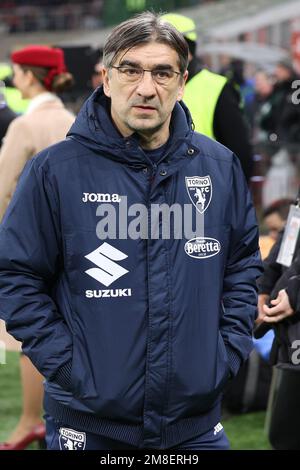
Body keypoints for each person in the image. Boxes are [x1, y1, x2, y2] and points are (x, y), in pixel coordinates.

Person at [0, 12, 262, 450]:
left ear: (181, 83)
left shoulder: (218, 167)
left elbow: (241, 265)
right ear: (105, 78)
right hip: (88, 426)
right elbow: (17, 275)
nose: (146, 87)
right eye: (130, 70)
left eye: (162, 73)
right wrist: (69, 366)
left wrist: (227, 353)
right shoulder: (55, 171)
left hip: (195, 428)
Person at [0, 45, 75, 450]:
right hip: (71, 243)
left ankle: (32, 421)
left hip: (28, 247)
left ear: (29, 74)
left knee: (29, 335)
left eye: (17, 71)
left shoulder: (24, 127)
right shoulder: (73, 119)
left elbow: (1, 189)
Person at [160, 13, 253, 182]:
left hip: (204, 195)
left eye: (165, 46)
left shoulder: (218, 88)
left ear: (187, 52)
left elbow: (241, 155)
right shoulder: (146, 86)